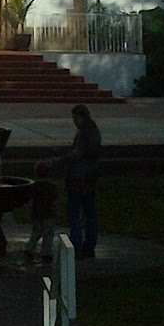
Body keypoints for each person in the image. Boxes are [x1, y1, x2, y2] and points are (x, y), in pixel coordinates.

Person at [48, 103, 101, 258]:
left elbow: (76, 155)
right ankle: (89, 246)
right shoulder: (94, 132)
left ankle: (76, 245)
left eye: (75, 117)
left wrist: (56, 161)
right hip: (90, 177)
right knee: (90, 214)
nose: (74, 121)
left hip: (79, 179)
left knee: (74, 214)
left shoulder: (84, 134)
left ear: (81, 117)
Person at [24, 161, 59, 261]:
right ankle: (46, 253)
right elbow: (54, 202)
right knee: (48, 234)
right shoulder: (52, 187)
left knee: (36, 233)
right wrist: (56, 212)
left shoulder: (33, 187)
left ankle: (30, 249)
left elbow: (31, 202)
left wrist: (31, 211)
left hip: (37, 213)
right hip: (48, 214)